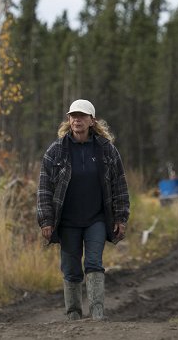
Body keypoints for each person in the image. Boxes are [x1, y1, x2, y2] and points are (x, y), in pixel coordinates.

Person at [37, 99, 130, 321]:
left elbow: (120, 186)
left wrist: (121, 217)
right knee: (71, 269)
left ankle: (97, 316)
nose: (77, 119)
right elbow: (44, 189)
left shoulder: (107, 150)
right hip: (67, 221)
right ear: (68, 120)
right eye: (73, 116)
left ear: (91, 120)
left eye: (82, 116)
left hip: (96, 219)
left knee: (94, 263)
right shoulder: (56, 151)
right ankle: (74, 317)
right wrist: (46, 220)